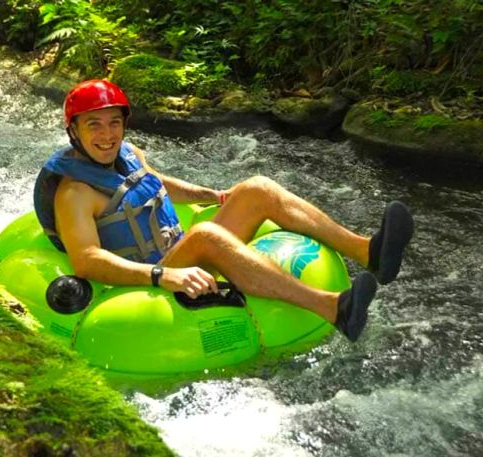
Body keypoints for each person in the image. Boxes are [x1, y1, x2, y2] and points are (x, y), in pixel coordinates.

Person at [34, 80, 414, 342]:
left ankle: (368, 252)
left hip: (173, 251)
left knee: (256, 189)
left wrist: (212, 194)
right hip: (142, 277)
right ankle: (335, 309)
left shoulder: (129, 154)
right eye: (94, 125)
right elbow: (85, 261)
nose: (107, 134)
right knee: (204, 236)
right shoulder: (74, 194)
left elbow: (153, 183)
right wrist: (161, 275)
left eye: (114, 123)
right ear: (75, 131)